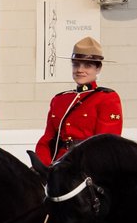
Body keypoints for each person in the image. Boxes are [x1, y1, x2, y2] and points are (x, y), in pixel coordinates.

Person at [33, 36, 122, 166]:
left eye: (88, 65)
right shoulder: (59, 100)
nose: (80, 70)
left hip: (87, 167)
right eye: (76, 64)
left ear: (98, 69)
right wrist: (43, 166)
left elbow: (105, 144)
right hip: (58, 164)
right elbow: (47, 139)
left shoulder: (107, 98)